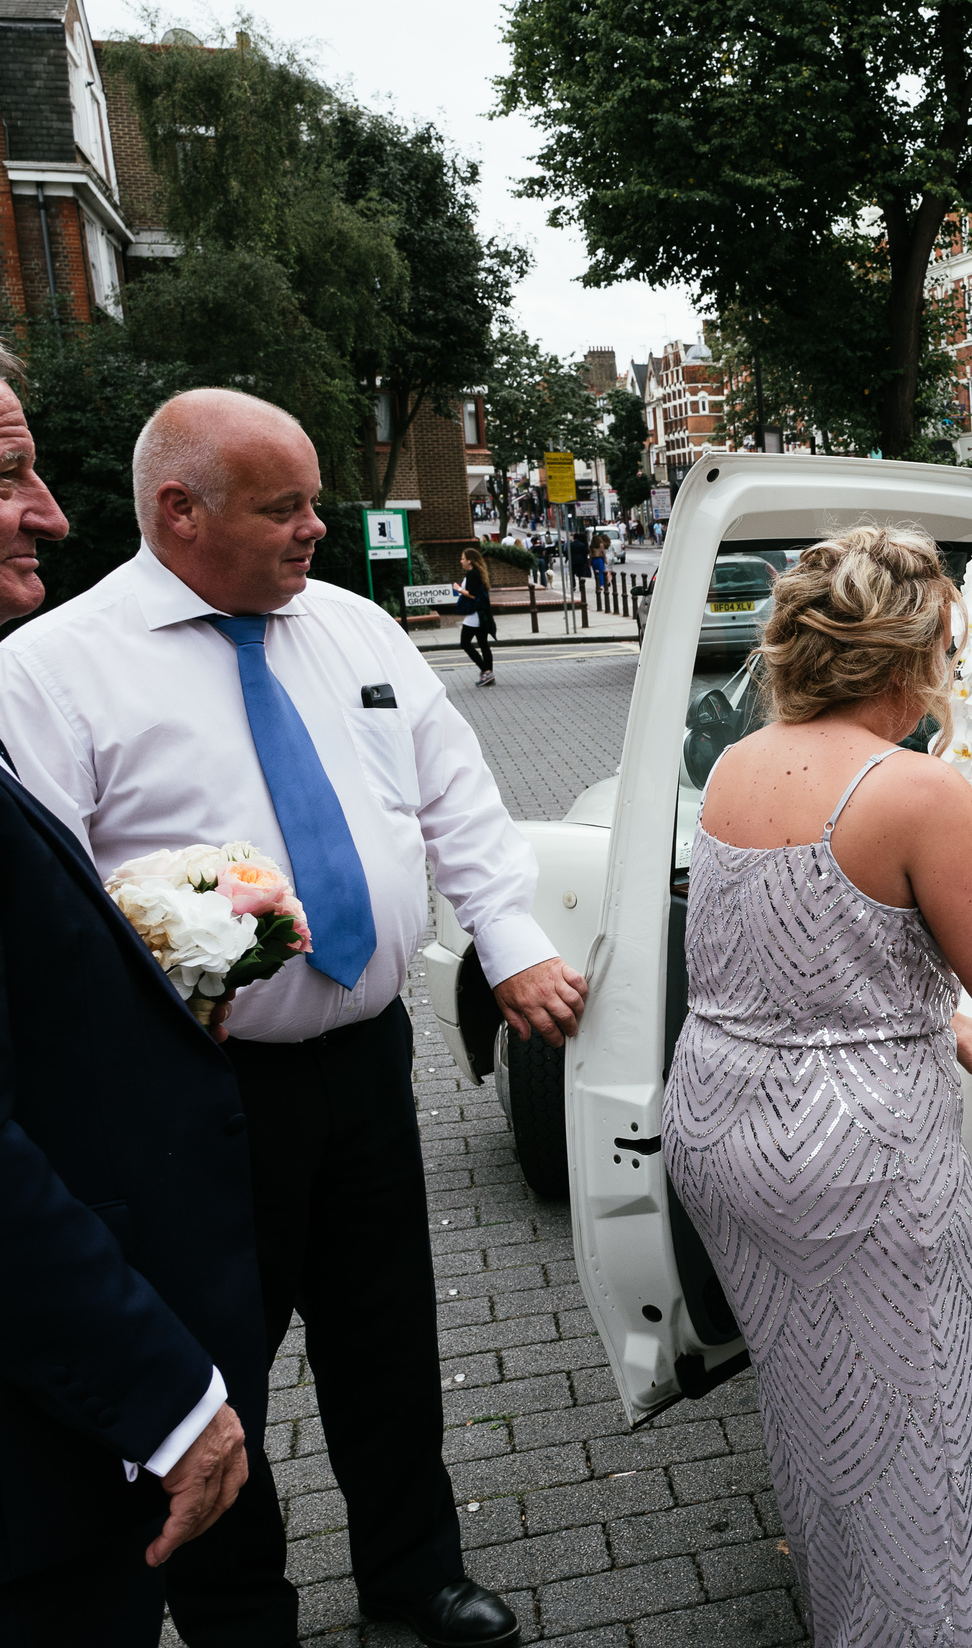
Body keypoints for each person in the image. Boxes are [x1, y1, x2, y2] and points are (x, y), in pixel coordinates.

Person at [0, 388, 592, 1648]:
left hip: (372, 1065)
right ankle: (237, 1613)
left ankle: (415, 1569)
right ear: (180, 512)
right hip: (196, 1098)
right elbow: (46, 906)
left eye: (315, 500)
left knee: (388, 1334)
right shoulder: (52, 669)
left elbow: (461, 802)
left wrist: (514, 943)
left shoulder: (358, 630)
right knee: (219, 1358)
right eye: (285, 508)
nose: (317, 528)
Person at [666, 527, 972, 1646]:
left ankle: (841, 1604)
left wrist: (930, 1016)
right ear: (913, 657)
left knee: (810, 1399)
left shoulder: (741, 763)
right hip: (852, 1156)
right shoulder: (915, 790)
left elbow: (788, 952)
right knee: (915, 1433)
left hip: (717, 1125)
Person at [0, 346, 261, 1646]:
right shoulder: (51, 664)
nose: (49, 506)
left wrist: (171, 947)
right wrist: (157, 1391)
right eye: (9, 473)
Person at [456, 546, 496, 688]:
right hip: (481, 613)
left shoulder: (472, 574)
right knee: (483, 643)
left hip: (475, 615)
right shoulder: (478, 572)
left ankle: (486, 671)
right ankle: (488, 674)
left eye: (463, 558)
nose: (461, 561)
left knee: (465, 643)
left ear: (469, 560)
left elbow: (472, 594)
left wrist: (459, 589)